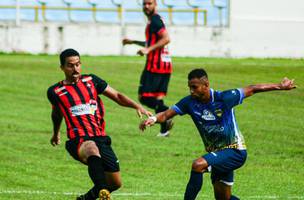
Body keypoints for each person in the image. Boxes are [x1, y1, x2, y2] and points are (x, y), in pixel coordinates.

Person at [139, 68, 296, 200]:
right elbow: (166, 114)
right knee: (223, 199)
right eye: (190, 87)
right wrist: (153, 119)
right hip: (217, 153)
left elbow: (253, 88)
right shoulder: (189, 102)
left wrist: (280, 86)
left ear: (206, 85)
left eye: (194, 87)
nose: (191, 91)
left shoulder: (225, 98)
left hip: (235, 151)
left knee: (198, 165)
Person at [47, 48, 151, 200]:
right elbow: (57, 114)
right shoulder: (55, 91)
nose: (75, 69)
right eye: (70, 65)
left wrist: (137, 106)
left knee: (115, 183)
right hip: (78, 140)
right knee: (91, 149)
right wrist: (56, 133)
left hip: (100, 137)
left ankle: (85, 198)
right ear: (62, 67)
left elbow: (117, 96)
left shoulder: (92, 81)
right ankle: (103, 192)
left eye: (78, 64)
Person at [122, 0, 173, 137]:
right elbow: (153, 41)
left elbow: (166, 39)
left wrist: (147, 50)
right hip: (165, 65)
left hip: (155, 66)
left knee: (144, 97)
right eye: (144, 3)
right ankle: (164, 130)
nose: (146, 6)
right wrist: (133, 42)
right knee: (158, 98)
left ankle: (168, 112)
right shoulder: (156, 20)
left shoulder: (155, 20)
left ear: (155, 4)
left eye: (149, 3)